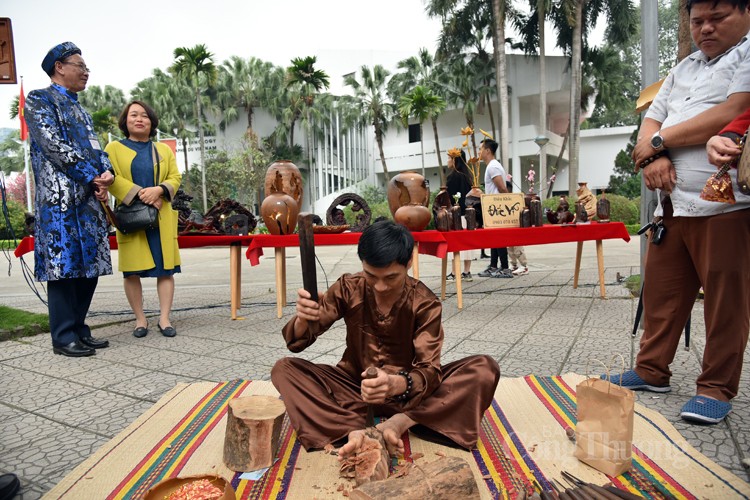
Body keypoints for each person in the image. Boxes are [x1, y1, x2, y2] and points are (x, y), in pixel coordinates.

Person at [611, 0, 750, 424]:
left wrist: (657, 142)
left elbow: (732, 111)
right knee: (661, 294)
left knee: (725, 302)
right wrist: (653, 156)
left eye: (718, 18)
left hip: (726, 206)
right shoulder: (684, 67)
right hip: (671, 205)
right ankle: (651, 370)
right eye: (697, 21)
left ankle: (715, 387)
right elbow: (650, 124)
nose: (705, 28)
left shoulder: (748, 54)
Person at [271, 220, 500, 459]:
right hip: (353, 388)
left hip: (408, 395)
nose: (380, 286)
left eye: (391, 277)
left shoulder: (425, 303)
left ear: (408, 263)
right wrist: (304, 318)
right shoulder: (348, 287)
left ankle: (400, 423)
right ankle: (354, 429)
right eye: (371, 276)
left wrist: (393, 384)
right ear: (362, 264)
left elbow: (429, 371)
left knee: (484, 368)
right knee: (284, 369)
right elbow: (299, 341)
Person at [24, 42, 114, 358]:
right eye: (80, 65)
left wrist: (107, 174)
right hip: (59, 202)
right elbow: (53, 145)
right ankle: (62, 336)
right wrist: (92, 175)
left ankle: (79, 329)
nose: (85, 71)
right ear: (59, 67)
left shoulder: (80, 110)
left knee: (89, 267)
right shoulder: (39, 100)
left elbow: (96, 147)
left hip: (88, 201)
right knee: (63, 268)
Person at [106, 101, 182, 338]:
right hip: (131, 217)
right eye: (134, 115)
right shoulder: (114, 149)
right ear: (125, 121)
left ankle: (164, 318)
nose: (139, 119)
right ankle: (140, 320)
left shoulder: (163, 150)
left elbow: (175, 176)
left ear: (152, 122)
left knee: (165, 269)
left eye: (145, 116)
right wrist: (143, 194)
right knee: (131, 272)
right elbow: (111, 178)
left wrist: (159, 190)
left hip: (161, 216)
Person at [477, 139, 513, 278]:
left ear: (487, 151)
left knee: (498, 238)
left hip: (497, 208)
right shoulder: (492, 166)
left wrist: (507, 204)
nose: (479, 152)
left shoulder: (493, 167)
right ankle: (493, 266)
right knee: (493, 237)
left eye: (481, 149)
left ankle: (505, 268)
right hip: (493, 207)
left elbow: (502, 188)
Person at [445, 149, 479, 281]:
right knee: (467, 243)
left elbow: (449, 198)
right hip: (469, 214)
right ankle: (466, 271)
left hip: (457, 215)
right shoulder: (468, 175)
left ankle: (454, 272)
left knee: (456, 243)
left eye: (449, 158)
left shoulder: (453, 176)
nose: (447, 161)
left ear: (454, 160)